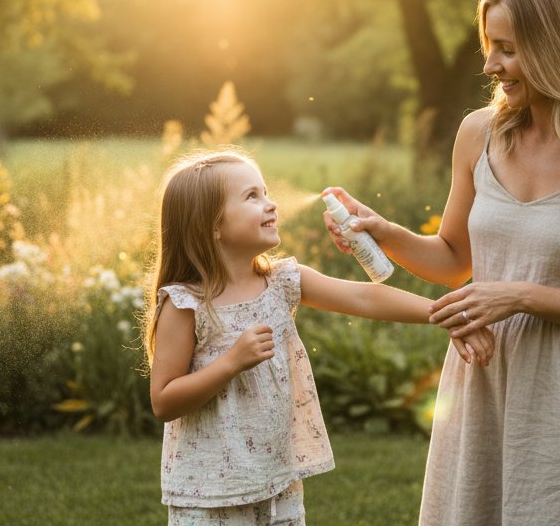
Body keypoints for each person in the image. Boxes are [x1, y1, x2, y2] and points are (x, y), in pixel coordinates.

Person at [324, 0, 560, 525]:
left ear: (555, 46)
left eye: (506, 48)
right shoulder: (479, 132)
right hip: (483, 381)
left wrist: (519, 296)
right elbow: (455, 261)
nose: (490, 65)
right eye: (490, 46)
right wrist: (384, 232)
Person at [145, 148, 495, 526]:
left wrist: (444, 314)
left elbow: (365, 297)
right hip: (210, 494)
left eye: (265, 192)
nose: (271, 204)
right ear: (211, 225)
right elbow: (164, 401)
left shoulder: (281, 282)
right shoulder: (186, 305)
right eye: (252, 197)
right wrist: (231, 363)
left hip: (278, 483)